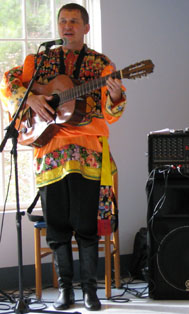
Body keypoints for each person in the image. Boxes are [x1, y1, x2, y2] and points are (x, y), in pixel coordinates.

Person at [0, 3, 126, 311]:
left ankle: (89, 291)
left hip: (88, 151)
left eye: (73, 21)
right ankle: (65, 291)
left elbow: (113, 113)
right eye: (63, 21)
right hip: (49, 150)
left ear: (86, 27)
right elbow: (8, 83)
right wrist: (31, 96)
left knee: (85, 223)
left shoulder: (101, 64)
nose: (67, 26)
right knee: (56, 223)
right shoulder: (39, 61)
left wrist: (114, 94)